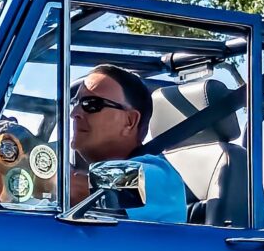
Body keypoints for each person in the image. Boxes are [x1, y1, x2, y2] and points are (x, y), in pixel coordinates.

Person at [65, 63, 190, 222]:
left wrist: (42, 171)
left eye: (90, 104)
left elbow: (77, 189)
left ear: (130, 121)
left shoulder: (160, 176)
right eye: (74, 103)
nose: (74, 113)